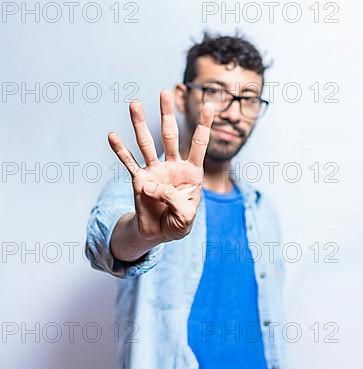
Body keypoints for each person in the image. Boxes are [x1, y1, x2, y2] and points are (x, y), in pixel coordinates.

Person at [85, 32, 286, 369]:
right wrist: (143, 234)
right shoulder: (143, 192)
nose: (233, 113)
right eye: (215, 92)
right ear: (182, 97)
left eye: (248, 98)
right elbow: (106, 244)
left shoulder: (263, 210)